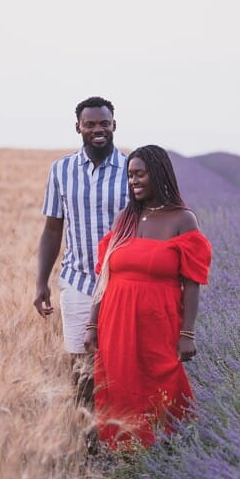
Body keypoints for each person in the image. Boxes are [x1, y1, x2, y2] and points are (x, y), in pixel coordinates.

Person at [83, 144, 212, 450]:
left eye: (140, 174)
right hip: (115, 320)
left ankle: (165, 453)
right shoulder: (125, 219)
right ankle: (123, 454)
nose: (134, 181)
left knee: (160, 384)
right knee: (119, 386)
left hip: (159, 322)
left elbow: (192, 284)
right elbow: (105, 276)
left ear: (158, 174)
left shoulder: (182, 219)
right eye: (130, 176)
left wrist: (187, 334)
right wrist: (92, 324)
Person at [33, 96, 131, 407]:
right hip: (78, 281)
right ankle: (88, 436)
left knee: (122, 362)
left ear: (114, 125)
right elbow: (52, 230)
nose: (98, 129)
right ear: (78, 127)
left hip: (124, 283)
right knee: (81, 366)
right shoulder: (61, 170)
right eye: (90, 124)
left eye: (104, 123)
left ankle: (122, 435)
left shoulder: (132, 169)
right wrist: (41, 283)